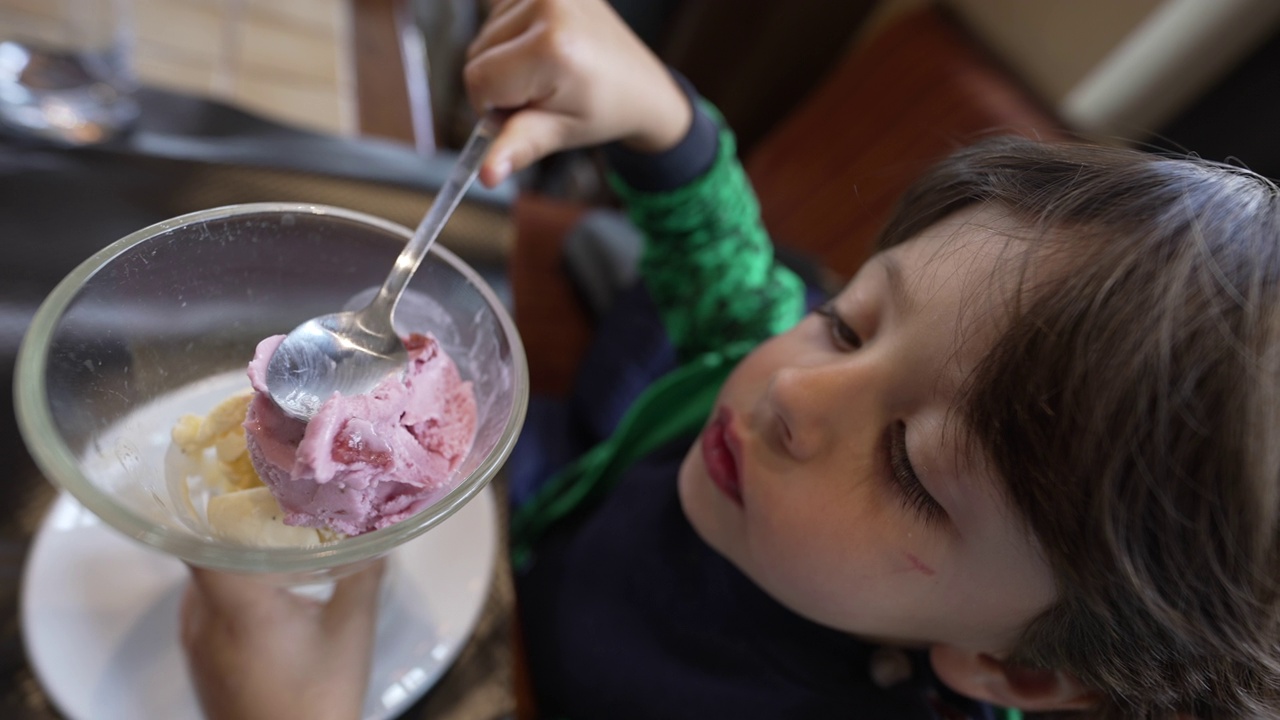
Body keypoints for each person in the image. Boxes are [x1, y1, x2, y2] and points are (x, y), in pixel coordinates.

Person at [180, 0, 1280, 718]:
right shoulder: (761, 378)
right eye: (850, 321)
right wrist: (663, 125)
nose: (789, 388)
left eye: (908, 466)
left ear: (1014, 668)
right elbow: (731, 280)